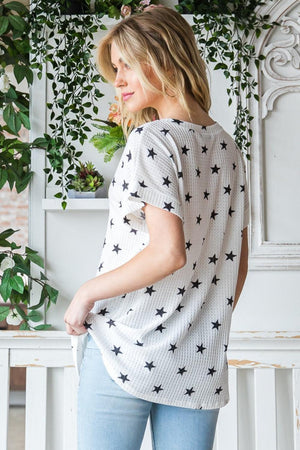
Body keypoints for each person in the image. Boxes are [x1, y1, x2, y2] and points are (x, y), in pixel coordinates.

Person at [64, 6, 249, 450]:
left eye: (127, 64)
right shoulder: (226, 147)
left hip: (127, 349)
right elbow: (236, 265)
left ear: (163, 57)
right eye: (116, 68)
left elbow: (168, 253)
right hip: (197, 357)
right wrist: (198, 326)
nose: (118, 79)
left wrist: (86, 292)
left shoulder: (152, 140)